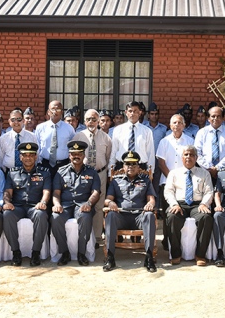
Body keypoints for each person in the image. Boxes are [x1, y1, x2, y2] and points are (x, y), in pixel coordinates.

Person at [103, 151, 157, 272]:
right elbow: (107, 199)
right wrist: (110, 203)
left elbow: (151, 199)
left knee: (149, 215)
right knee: (110, 215)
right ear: (123, 166)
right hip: (121, 217)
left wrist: (150, 204)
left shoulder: (146, 180)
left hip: (139, 217)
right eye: (127, 164)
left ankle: (149, 258)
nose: (130, 166)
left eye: (134, 164)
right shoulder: (116, 181)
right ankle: (110, 258)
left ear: (138, 166)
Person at [51, 140, 101, 266]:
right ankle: (64, 252)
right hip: (66, 205)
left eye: (79, 153)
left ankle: (81, 253)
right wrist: (57, 204)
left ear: (84, 155)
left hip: (83, 205)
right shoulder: (60, 172)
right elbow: (56, 193)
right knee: (55, 217)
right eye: (73, 154)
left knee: (85, 217)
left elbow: (96, 192)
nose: (76, 156)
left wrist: (89, 203)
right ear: (69, 156)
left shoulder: (92, 172)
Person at [2, 142, 51, 267]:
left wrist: (43, 202)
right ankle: (15, 252)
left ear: (36, 157)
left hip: (35, 206)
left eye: (31, 155)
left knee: (41, 214)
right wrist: (7, 203)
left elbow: (46, 191)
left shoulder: (44, 173)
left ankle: (36, 253)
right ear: (20, 157)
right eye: (25, 155)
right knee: (7, 214)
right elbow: (7, 192)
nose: (28, 158)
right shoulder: (12, 173)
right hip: (17, 207)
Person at [164, 145, 214, 265]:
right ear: (182, 157)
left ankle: (200, 255)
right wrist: (174, 204)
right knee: (172, 217)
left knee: (206, 217)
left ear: (196, 158)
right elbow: (168, 191)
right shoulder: (174, 173)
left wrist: (204, 204)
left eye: (191, 155)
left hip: (198, 205)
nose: (188, 157)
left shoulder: (204, 173)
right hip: (179, 204)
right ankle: (176, 254)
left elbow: (209, 191)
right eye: (186, 154)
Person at [72, 109, 112, 246]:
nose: (91, 122)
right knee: (84, 202)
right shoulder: (78, 136)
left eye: (94, 119)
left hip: (100, 173)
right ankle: (84, 236)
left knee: (99, 205)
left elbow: (108, 156)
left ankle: (97, 237)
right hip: (83, 174)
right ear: (84, 121)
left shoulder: (106, 138)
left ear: (98, 121)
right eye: (88, 119)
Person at [156, 114, 194, 251]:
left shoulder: (190, 141)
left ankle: (182, 242)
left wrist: (181, 180)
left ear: (184, 125)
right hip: (167, 182)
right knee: (168, 213)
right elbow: (161, 163)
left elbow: (192, 161)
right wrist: (172, 178)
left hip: (186, 183)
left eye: (179, 122)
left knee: (181, 213)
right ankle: (167, 241)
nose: (177, 125)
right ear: (170, 125)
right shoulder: (164, 141)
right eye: (174, 123)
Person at [109, 101, 155, 173]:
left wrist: (150, 172)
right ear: (126, 112)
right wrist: (110, 172)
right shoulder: (118, 130)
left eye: (135, 111)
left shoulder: (147, 131)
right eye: (130, 111)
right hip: (121, 168)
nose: (132, 113)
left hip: (141, 168)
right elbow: (114, 152)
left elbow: (150, 154)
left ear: (140, 112)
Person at [194, 105, 225, 179]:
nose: (215, 118)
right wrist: (209, 168)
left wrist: (217, 168)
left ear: (222, 118)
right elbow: (197, 153)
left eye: (218, 116)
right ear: (208, 118)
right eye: (213, 116)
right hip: (205, 172)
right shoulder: (201, 133)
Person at [35, 100, 76, 175]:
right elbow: (37, 147)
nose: (55, 111)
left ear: (62, 112)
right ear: (48, 112)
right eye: (53, 109)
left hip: (64, 165)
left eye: (58, 109)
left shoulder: (69, 128)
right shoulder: (40, 128)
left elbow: (72, 148)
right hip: (45, 164)